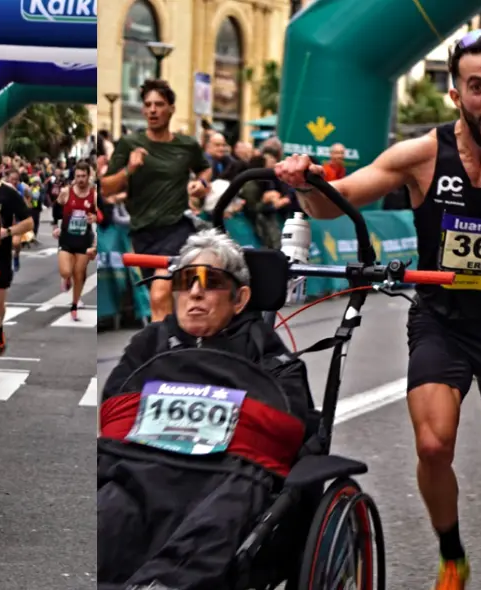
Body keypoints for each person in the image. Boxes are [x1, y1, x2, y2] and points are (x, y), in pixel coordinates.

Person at [274, 29, 481, 590]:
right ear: (456, 95)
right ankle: (452, 557)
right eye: (477, 86)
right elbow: (336, 204)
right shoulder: (421, 156)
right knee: (433, 445)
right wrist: (307, 184)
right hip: (441, 321)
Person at [98, 230, 315, 589]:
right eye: (186, 281)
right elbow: (115, 412)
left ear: (240, 298)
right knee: (108, 514)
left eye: (211, 281)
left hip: (226, 474)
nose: (196, 292)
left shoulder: (268, 353)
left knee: (219, 515)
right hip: (142, 467)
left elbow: (285, 427)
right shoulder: (149, 343)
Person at [101, 79, 211, 322]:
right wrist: (129, 170)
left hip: (176, 228)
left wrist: (201, 184)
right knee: (164, 298)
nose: (152, 110)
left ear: (171, 109)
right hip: (143, 233)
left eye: (159, 104)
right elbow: (106, 188)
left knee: (160, 294)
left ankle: (163, 343)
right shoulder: (130, 144)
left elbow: (205, 169)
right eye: (148, 105)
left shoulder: (187, 145)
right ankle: (174, 338)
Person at [0, 148, 33, 354]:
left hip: (0, 257)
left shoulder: (9, 194)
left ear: (1, 167)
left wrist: (7, 232)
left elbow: (28, 222)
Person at [54, 161, 98, 321]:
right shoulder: (66, 192)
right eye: (78, 176)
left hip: (84, 240)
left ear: (88, 176)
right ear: (74, 176)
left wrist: (94, 218)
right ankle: (66, 279)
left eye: (83, 176)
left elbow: (101, 216)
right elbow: (56, 210)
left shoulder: (94, 195)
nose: (80, 179)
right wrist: (56, 226)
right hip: (66, 238)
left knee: (79, 274)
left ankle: (74, 305)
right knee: (66, 271)